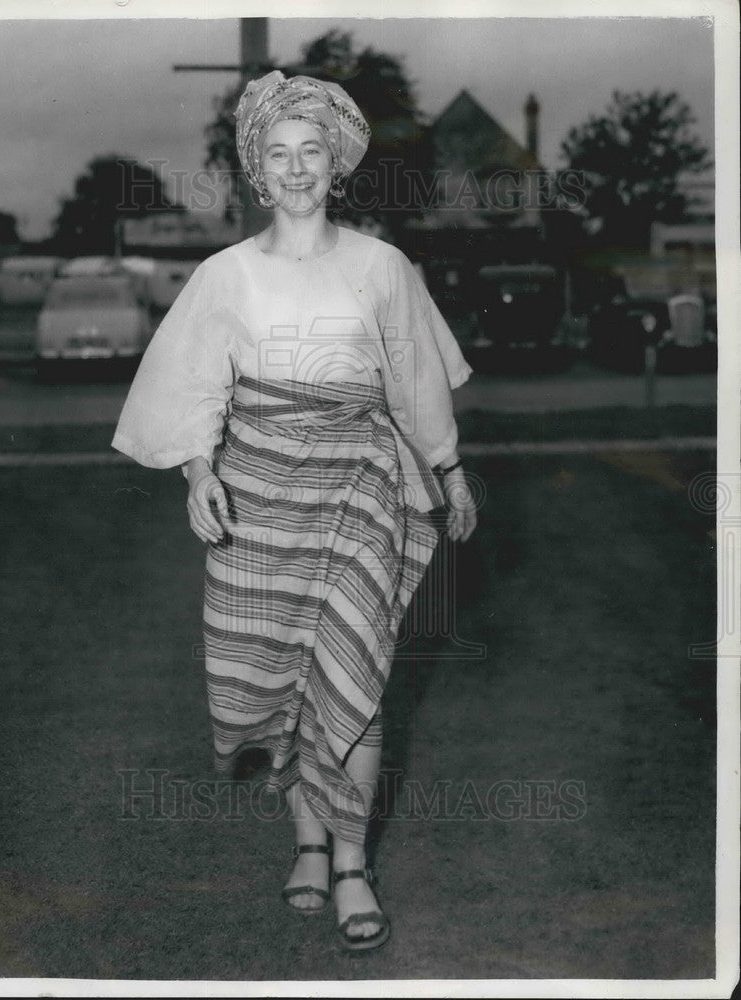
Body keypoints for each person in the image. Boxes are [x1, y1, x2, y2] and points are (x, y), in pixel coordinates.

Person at [112, 70, 477, 953]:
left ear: (335, 165)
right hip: (260, 495)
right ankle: (306, 845)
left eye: (313, 151)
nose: (298, 168)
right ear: (256, 172)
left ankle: (350, 862)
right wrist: (199, 474)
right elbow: (193, 385)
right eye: (279, 154)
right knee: (274, 678)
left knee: (355, 674)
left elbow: (417, 381)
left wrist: (449, 469)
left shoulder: (381, 267)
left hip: (359, 486)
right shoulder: (222, 275)